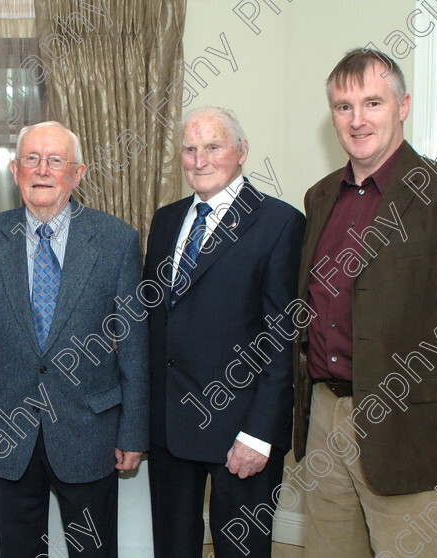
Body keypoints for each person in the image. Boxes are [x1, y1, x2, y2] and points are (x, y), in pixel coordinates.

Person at [294, 48, 437, 557]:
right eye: (343, 106)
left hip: (405, 422)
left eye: (373, 102)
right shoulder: (320, 196)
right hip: (326, 415)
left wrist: (436, 397)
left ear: (403, 106)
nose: (358, 119)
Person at [0, 121, 149, 558]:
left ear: (77, 174)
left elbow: (133, 346)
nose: (42, 170)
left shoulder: (116, 240)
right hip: (8, 430)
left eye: (55, 160)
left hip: (90, 430)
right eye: (31, 159)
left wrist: (133, 431)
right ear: (15, 170)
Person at [143, 106, 304, 557]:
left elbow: (281, 339)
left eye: (213, 147)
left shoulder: (279, 223)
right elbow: (155, 320)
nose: (200, 160)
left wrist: (260, 434)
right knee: (173, 548)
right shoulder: (166, 220)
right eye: (190, 149)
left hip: (240, 430)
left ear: (241, 152)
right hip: (170, 427)